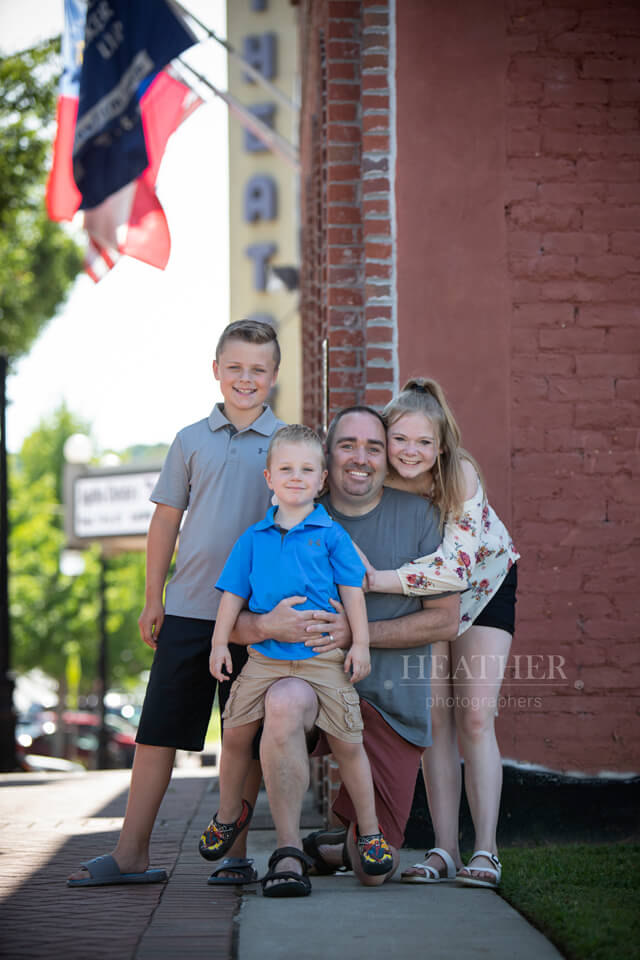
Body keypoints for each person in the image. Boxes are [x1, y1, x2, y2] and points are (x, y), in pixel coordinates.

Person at [67, 319, 284, 888]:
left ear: (275, 376)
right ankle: (131, 852)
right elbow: (165, 520)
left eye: (258, 369)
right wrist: (151, 598)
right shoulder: (190, 439)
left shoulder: (287, 443)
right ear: (216, 371)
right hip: (188, 607)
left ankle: (236, 855)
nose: (246, 378)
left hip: (255, 617)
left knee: (246, 736)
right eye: (235, 367)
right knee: (158, 730)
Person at [229, 407, 460, 894]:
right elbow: (236, 622)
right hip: (309, 681)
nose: (361, 458)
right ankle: (288, 852)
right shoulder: (291, 513)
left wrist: (357, 634)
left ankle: (333, 844)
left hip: (390, 703)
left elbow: (445, 618)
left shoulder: (420, 516)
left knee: (374, 871)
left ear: (386, 459)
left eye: (374, 448)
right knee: (283, 698)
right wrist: (265, 624)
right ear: (327, 458)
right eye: (347, 446)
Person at [200, 424, 393, 896]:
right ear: (269, 477)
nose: (295, 477)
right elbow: (231, 596)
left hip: (321, 660)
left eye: (306, 469)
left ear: (321, 480)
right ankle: (229, 813)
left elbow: (353, 594)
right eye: (285, 469)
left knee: (349, 743)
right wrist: (220, 644)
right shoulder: (252, 538)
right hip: (264, 660)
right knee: (236, 733)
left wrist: (361, 645)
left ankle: (368, 831)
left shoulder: (330, 535)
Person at [362, 378, 519, 889]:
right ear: (385, 439)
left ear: (442, 445)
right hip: (424, 600)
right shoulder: (379, 481)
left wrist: (380, 580)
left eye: (424, 442)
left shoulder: (461, 475)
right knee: (434, 722)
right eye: (400, 440)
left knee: (474, 716)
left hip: (484, 588)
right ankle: (444, 849)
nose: (411, 451)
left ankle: (487, 851)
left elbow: (455, 569)